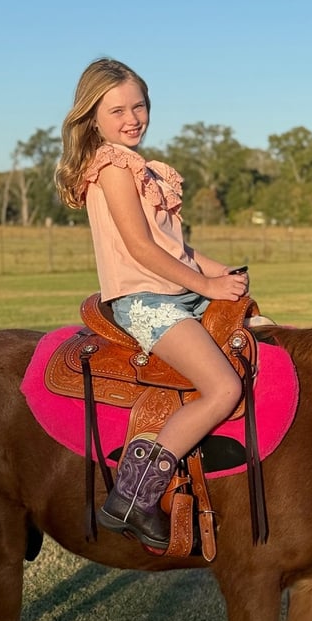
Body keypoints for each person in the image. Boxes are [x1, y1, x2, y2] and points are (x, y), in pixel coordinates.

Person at [55, 58, 247, 552]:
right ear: (91, 117)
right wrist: (206, 288)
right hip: (143, 301)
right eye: (117, 109)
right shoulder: (114, 167)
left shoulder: (144, 168)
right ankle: (134, 495)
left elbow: (174, 248)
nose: (132, 118)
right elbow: (141, 249)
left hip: (173, 287)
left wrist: (219, 272)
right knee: (223, 387)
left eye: (138, 105)